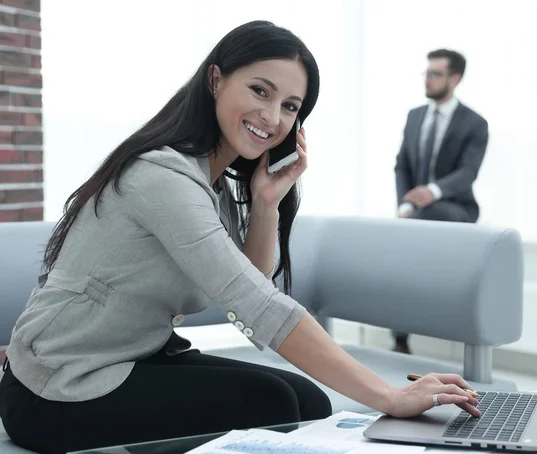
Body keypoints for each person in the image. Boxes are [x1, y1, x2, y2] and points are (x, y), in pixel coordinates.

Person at [0, 22, 480, 453]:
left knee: (305, 399)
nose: (273, 118)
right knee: (274, 402)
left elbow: (249, 287)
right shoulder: (161, 175)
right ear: (215, 80)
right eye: (260, 91)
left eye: (290, 106)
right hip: (56, 389)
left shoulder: (215, 187)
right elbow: (258, 306)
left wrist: (266, 203)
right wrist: (390, 395)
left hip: (132, 358)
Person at [393, 49, 489, 354]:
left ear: (455, 78)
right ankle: (400, 339)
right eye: (427, 73)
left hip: (456, 209)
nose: (428, 79)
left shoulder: (474, 123)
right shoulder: (415, 116)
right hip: (416, 212)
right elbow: (402, 165)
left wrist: (431, 192)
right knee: (399, 247)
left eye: (435, 74)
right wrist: (405, 206)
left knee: (416, 227)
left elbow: (467, 173)